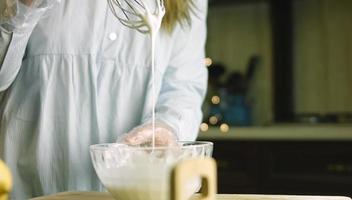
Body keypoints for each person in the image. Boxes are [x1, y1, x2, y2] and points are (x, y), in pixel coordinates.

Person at [0, 0, 208, 198]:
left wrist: (168, 126)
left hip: (131, 190)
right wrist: (21, 8)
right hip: (27, 186)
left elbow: (184, 87)